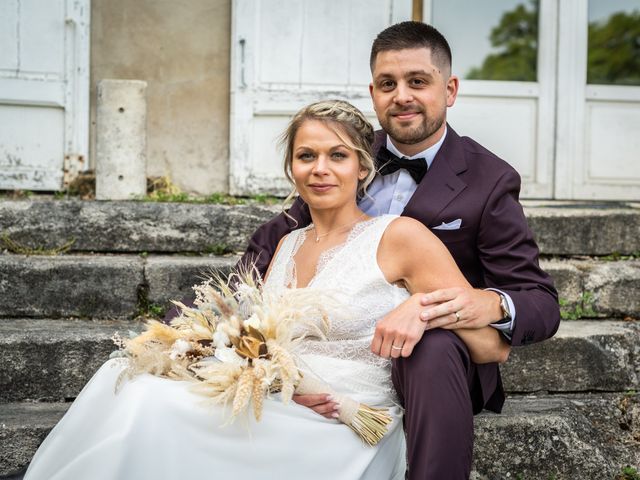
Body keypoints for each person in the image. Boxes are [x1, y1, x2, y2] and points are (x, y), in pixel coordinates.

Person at [23, 100, 509, 480]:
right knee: (126, 379)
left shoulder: (400, 237)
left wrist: (422, 311)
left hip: (345, 425)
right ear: (291, 168)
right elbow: (260, 337)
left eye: (338, 156)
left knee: (149, 407)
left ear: (363, 168)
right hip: (280, 404)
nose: (321, 168)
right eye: (307, 156)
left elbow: (491, 347)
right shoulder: (287, 243)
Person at [238, 22, 561, 480]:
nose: (401, 96)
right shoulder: (340, 152)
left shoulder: (489, 180)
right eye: (388, 84)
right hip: (337, 341)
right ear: (373, 92)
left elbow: (540, 301)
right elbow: (267, 252)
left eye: (418, 82)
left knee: (429, 345)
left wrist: (465, 303)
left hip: (437, 356)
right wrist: (193, 329)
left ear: (449, 90)